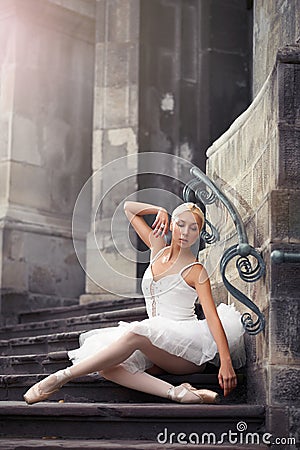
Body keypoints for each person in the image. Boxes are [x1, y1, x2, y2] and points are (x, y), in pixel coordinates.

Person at [23, 201, 246, 405]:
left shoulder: (196, 270)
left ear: (199, 234)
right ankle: (179, 393)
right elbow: (129, 209)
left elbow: (212, 318)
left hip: (187, 350)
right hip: (156, 342)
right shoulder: (158, 248)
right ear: (171, 225)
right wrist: (158, 211)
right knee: (108, 366)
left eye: (193, 228)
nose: (186, 232)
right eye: (181, 224)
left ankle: (59, 378)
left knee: (137, 333)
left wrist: (226, 361)